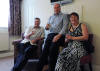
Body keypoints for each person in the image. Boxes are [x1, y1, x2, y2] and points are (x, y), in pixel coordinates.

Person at [37, 3, 69, 71]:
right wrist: (46, 27)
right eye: (55, 8)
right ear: (53, 9)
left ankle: (52, 69)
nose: (56, 9)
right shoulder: (51, 17)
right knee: (45, 50)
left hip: (60, 35)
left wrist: (58, 35)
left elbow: (65, 27)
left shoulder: (64, 16)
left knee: (52, 50)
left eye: (57, 7)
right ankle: (39, 68)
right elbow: (47, 27)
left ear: (60, 8)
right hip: (51, 35)